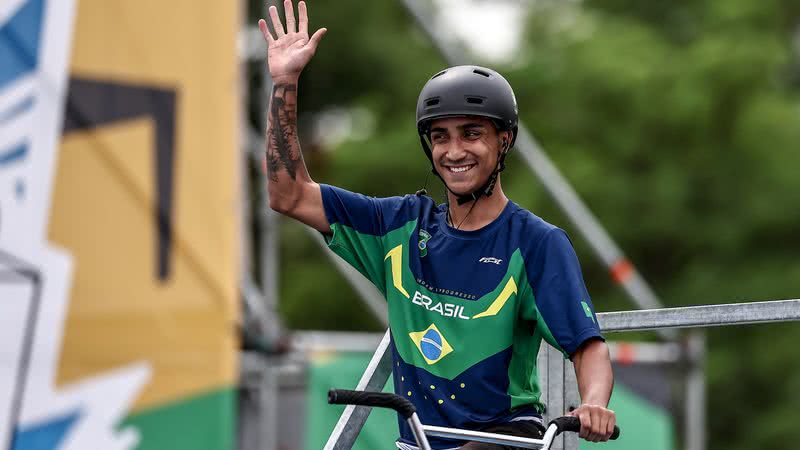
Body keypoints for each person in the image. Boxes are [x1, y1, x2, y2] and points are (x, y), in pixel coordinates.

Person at [258, 1, 616, 448]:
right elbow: (288, 194)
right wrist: (285, 82)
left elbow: (587, 346)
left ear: (503, 140)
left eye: (471, 133)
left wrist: (594, 402)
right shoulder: (399, 226)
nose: (454, 151)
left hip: (502, 440)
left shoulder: (536, 242)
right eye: (440, 136)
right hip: (419, 440)